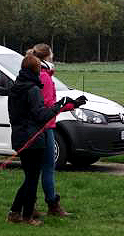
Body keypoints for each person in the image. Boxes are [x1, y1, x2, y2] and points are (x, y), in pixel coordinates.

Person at [7, 53, 84, 226]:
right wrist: (59, 105)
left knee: (29, 177)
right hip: (33, 138)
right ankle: (27, 216)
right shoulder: (33, 89)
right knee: (32, 179)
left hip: (20, 136)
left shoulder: (16, 87)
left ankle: (14, 212)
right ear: (36, 70)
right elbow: (41, 115)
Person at [32, 43, 68, 217]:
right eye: (52, 53)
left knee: (36, 169)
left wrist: (67, 106)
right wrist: (61, 107)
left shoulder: (38, 74)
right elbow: (47, 105)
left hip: (39, 127)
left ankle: (32, 204)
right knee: (47, 168)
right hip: (46, 128)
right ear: (47, 56)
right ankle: (52, 204)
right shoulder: (45, 77)